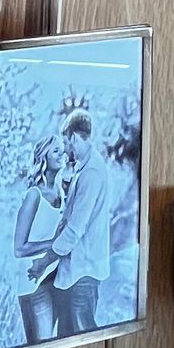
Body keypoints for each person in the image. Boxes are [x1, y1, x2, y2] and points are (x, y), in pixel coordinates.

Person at [47, 107, 111, 336]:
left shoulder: (91, 172)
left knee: (81, 337)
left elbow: (74, 229)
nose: (65, 150)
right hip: (77, 272)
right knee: (67, 336)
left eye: (66, 142)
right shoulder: (85, 168)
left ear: (74, 137)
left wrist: (46, 260)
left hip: (83, 273)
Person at [13, 136, 67, 345]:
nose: (62, 154)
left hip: (54, 277)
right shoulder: (34, 195)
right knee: (41, 347)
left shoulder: (61, 192)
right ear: (44, 157)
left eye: (62, 150)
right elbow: (19, 249)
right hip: (33, 284)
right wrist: (54, 243)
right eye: (56, 151)